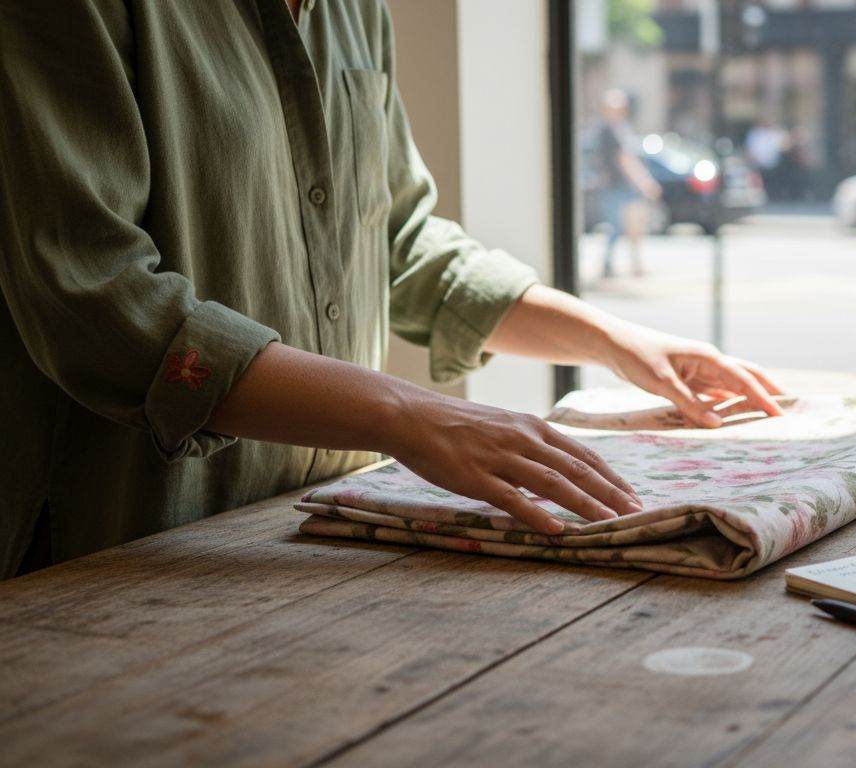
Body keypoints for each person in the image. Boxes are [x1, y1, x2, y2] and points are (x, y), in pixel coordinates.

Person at [0, 0, 783, 579]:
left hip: (313, 538)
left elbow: (396, 239)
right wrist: (406, 415)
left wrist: (612, 341)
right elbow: (94, 293)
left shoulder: (354, 10)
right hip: (119, 556)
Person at [594, 89, 661, 279]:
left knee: (632, 226)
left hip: (621, 186)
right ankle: (612, 265)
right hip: (616, 186)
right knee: (618, 226)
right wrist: (644, 181)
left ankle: (632, 264)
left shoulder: (619, 129)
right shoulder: (610, 131)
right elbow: (624, 159)